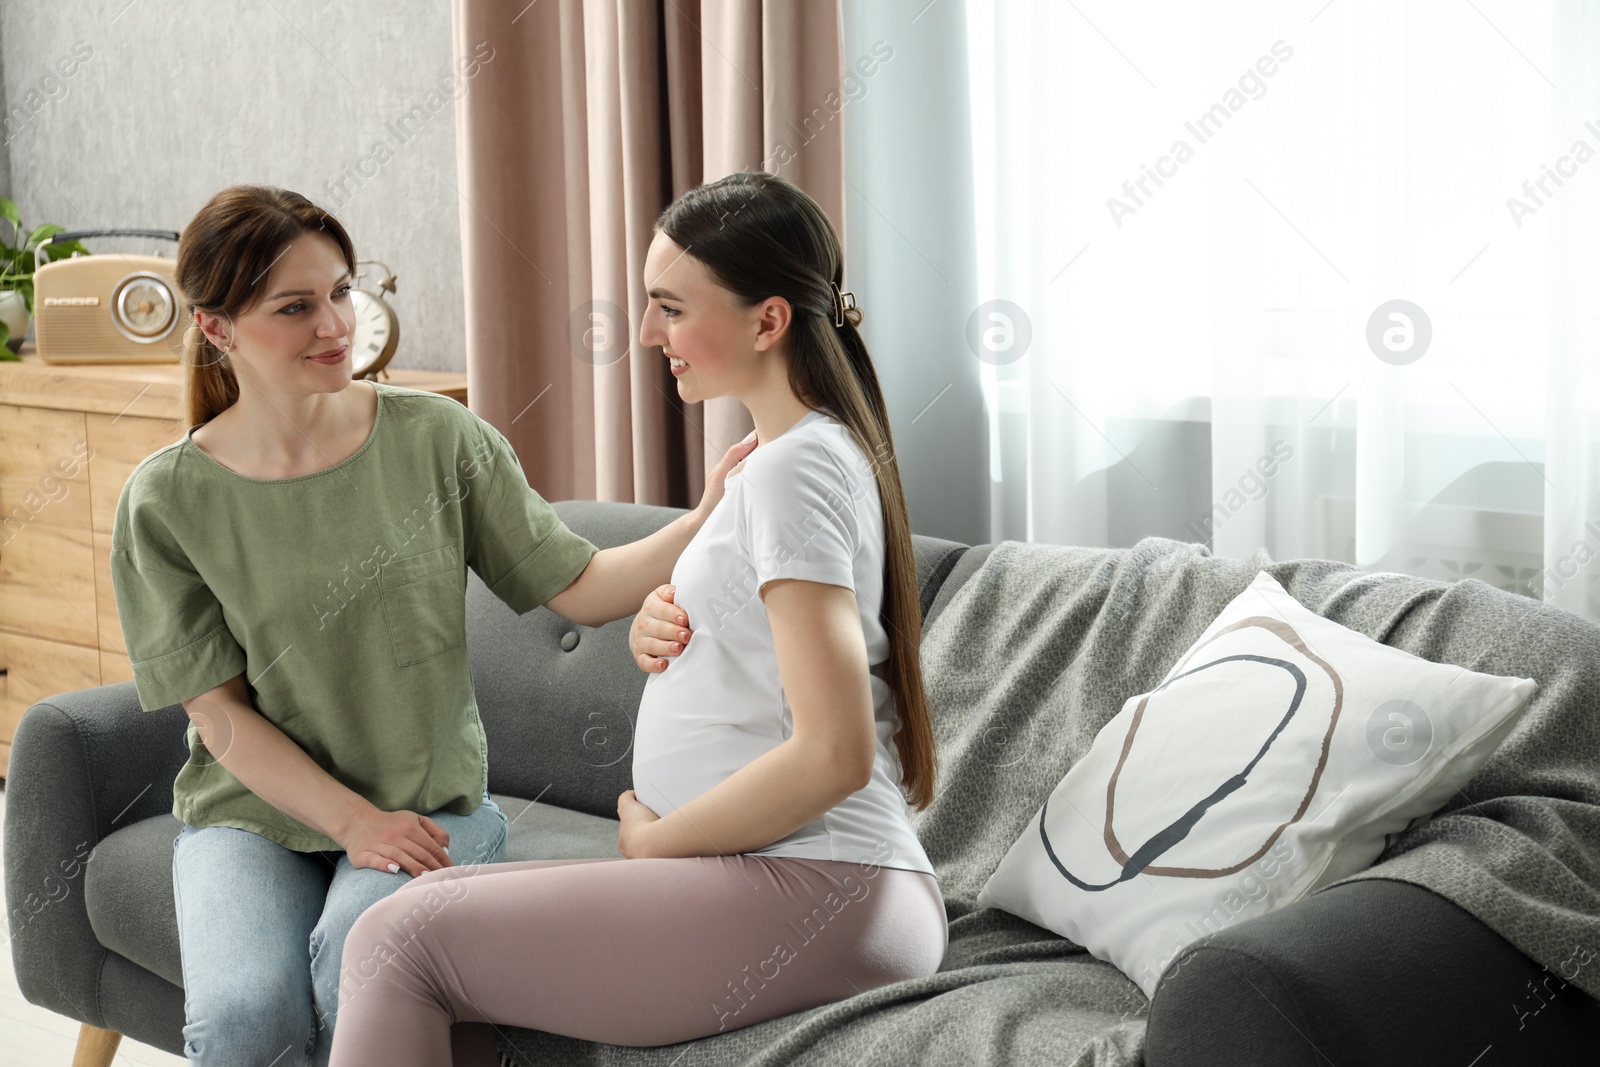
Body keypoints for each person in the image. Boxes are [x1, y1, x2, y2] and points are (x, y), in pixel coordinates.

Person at [108, 185, 755, 1067]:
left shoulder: (438, 438)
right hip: (246, 817)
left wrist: (704, 514)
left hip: (432, 807)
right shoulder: (166, 497)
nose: (336, 324)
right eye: (296, 307)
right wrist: (351, 822)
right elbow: (216, 715)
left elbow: (583, 586)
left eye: (342, 290)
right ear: (219, 328)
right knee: (242, 1019)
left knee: (360, 969)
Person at [327, 171, 947, 1067]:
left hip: (818, 881)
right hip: (815, 882)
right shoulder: (789, 458)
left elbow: (834, 750)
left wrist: (657, 840)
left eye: (670, 306)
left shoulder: (792, 470)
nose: (649, 332)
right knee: (455, 999)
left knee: (398, 937)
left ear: (768, 321)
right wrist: (679, 607)